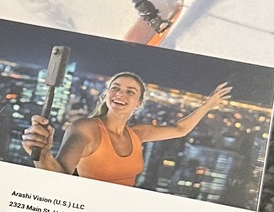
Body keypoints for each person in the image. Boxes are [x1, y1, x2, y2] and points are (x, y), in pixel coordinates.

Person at [22, 73, 230, 188]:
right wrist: (43, 155)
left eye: (130, 92)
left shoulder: (137, 134)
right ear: (106, 95)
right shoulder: (86, 128)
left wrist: (208, 105)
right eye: (115, 88)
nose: (120, 94)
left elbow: (179, 129)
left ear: (138, 103)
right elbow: (59, 177)